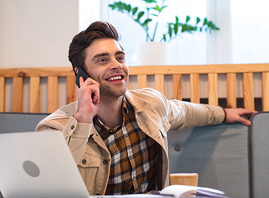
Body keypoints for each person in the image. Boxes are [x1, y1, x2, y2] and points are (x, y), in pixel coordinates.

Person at [36, 21, 257, 196]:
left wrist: (225, 114)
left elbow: (184, 112)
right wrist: (83, 119)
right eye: (102, 60)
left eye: (120, 57)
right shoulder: (53, 129)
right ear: (81, 74)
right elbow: (49, 185)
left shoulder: (150, 105)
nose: (117, 64)